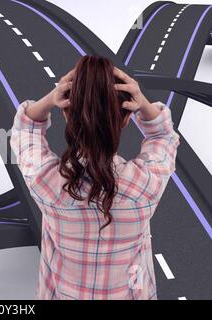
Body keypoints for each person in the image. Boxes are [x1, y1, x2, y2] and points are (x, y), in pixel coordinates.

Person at [10, 55, 180, 300]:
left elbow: (25, 128)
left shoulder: (46, 182)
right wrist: (143, 102)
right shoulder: (144, 186)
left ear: (67, 115)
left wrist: (51, 96)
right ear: (125, 119)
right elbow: (163, 137)